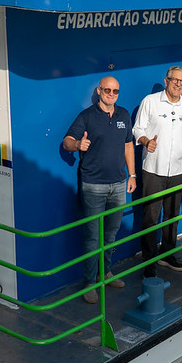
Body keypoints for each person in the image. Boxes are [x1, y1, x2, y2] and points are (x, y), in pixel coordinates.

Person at [62, 76, 136, 304]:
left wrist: (132, 175)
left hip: (119, 184)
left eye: (115, 91)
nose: (111, 94)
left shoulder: (123, 115)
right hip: (93, 186)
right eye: (107, 90)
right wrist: (77, 145)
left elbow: (127, 145)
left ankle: (105, 273)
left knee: (111, 234)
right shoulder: (87, 116)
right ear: (99, 91)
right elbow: (67, 141)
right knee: (93, 237)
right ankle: (90, 283)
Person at [132, 66, 182, 278]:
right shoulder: (150, 101)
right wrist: (145, 141)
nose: (178, 84)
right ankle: (149, 260)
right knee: (151, 217)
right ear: (166, 80)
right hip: (153, 169)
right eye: (175, 80)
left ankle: (168, 253)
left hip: (178, 169)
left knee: (172, 215)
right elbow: (138, 129)